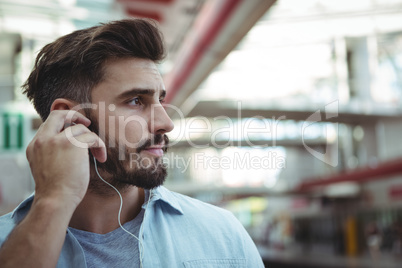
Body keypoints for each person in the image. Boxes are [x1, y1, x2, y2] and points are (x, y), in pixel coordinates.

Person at [0, 19, 264, 267]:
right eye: (136, 100)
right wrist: (54, 201)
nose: (166, 123)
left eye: (161, 99)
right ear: (72, 120)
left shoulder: (222, 235)